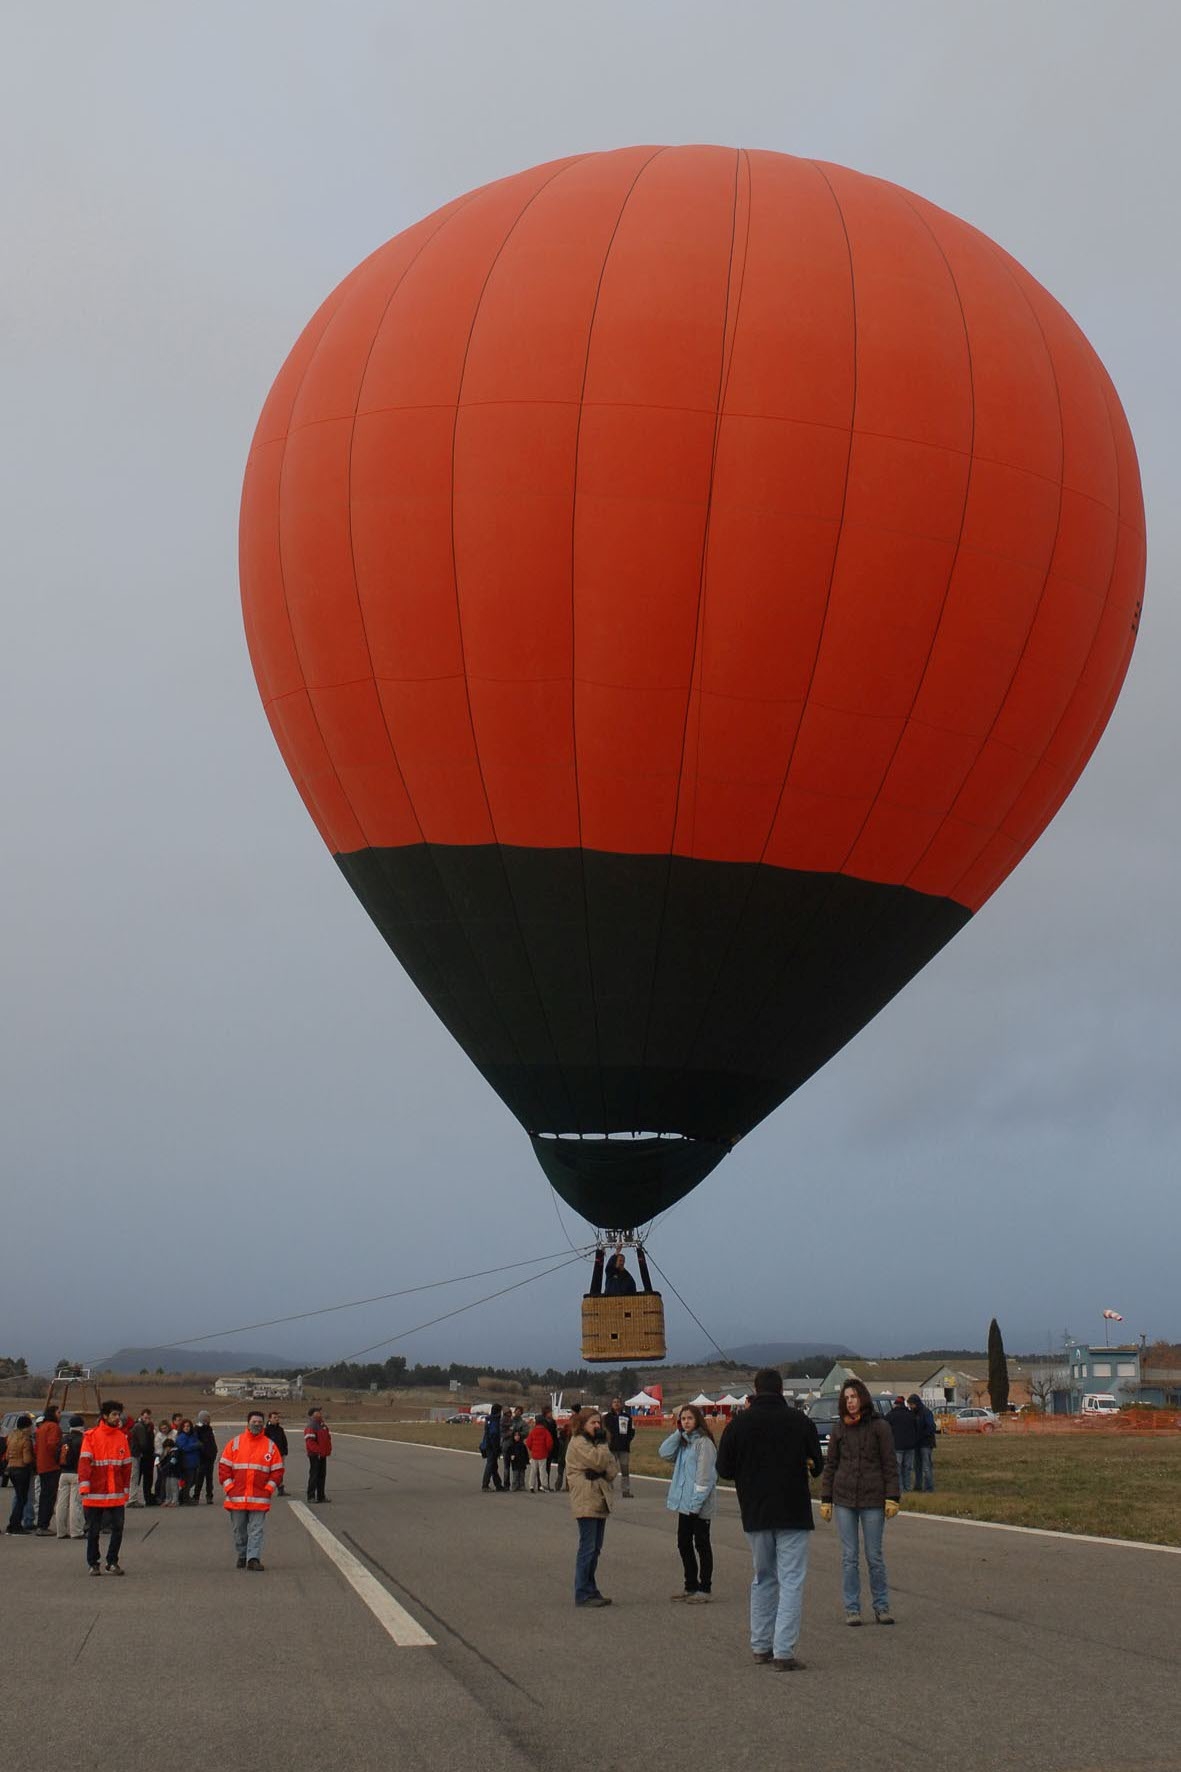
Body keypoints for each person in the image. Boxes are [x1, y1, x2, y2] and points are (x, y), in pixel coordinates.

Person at [715, 1367, 822, 1671]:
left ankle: (760, 1646)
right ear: (781, 1389)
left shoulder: (738, 1425)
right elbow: (817, 1465)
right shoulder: (800, 1422)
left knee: (763, 1578)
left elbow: (724, 1469)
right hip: (793, 1511)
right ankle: (783, 1651)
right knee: (791, 1581)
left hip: (755, 1510)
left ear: (755, 1389)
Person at [819, 1377, 901, 1626]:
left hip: (873, 1498)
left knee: (874, 1556)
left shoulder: (880, 1427)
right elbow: (831, 1465)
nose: (850, 1402)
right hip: (844, 1499)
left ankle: (881, 1606)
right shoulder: (839, 1430)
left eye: (853, 1397)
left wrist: (892, 1496)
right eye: (846, 1399)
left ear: (862, 1397)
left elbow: (889, 1463)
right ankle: (852, 1608)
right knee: (849, 1556)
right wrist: (826, 1498)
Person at [659, 1404, 718, 1602]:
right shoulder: (684, 1443)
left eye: (689, 1419)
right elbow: (664, 1453)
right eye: (683, 1419)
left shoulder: (704, 1443)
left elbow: (705, 1477)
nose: (686, 1422)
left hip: (699, 1506)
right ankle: (690, 1584)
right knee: (683, 1543)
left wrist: (696, 1504)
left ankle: (705, 1587)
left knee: (701, 1544)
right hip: (684, 1505)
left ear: (697, 1420)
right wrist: (678, 1433)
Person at [564, 1407, 618, 1607]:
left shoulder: (597, 1444)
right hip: (586, 1499)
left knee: (595, 1548)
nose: (597, 1426)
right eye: (592, 1423)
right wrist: (602, 1449)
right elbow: (598, 1461)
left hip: (600, 1498)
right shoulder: (578, 1443)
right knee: (587, 1547)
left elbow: (612, 1469)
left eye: (598, 1423)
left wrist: (601, 1472)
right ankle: (582, 1592)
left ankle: (591, 1588)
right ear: (583, 1425)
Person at [219, 1408, 284, 1570]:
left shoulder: (270, 1446)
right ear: (247, 1423)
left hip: (259, 1498)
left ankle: (253, 1558)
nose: (257, 1424)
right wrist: (230, 1488)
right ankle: (242, 1555)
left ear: (263, 1425)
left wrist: (268, 1488)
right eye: (254, 1422)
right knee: (239, 1530)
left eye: (259, 1423)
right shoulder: (235, 1443)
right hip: (237, 1497)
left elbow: (277, 1470)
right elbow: (223, 1468)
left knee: (256, 1530)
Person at [78, 1399, 133, 1576]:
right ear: (105, 1416)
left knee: (118, 1528)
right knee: (93, 1531)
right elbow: (84, 1463)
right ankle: (93, 1563)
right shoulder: (91, 1436)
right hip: (95, 1493)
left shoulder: (122, 1438)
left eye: (119, 1414)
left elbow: (126, 1467)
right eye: (114, 1414)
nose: (117, 1418)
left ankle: (112, 1561)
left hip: (115, 1493)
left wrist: (125, 1490)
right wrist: (84, 1487)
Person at [54, 1414, 86, 1539]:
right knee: (75, 1503)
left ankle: (61, 1530)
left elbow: (57, 1456)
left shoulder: (64, 1439)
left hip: (63, 1473)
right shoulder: (82, 1440)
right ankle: (76, 1531)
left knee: (61, 1503)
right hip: (76, 1473)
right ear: (81, 1426)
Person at [34, 1405, 63, 1534]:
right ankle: (43, 1525)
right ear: (53, 1413)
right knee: (50, 1496)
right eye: (58, 1412)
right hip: (51, 1465)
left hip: (42, 1465)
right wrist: (59, 1457)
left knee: (44, 1496)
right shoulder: (53, 1427)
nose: (60, 1414)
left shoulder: (41, 1428)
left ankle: (41, 1523)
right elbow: (52, 1445)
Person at [4, 1414, 35, 1535]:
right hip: (22, 1470)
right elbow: (27, 1460)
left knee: (18, 1497)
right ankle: (15, 1524)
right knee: (22, 1499)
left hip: (11, 1468)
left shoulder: (11, 1437)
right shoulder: (26, 1439)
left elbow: (6, 1455)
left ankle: (13, 1523)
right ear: (27, 1427)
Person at [603, 1396, 635, 1498]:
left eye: (618, 1402)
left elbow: (632, 1431)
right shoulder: (607, 1417)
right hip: (611, 1447)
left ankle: (626, 1491)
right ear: (611, 1404)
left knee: (625, 1469)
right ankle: (608, 1489)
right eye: (614, 1402)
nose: (616, 1404)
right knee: (610, 1469)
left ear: (621, 1404)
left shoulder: (627, 1417)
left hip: (624, 1448)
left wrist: (627, 1440)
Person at [885, 1396, 918, 1492]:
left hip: (897, 1446)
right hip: (910, 1446)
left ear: (896, 1404)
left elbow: (886, 1429)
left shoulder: (890, 1415)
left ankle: (900, 1488)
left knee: (898, 1469)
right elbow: (916, 1428)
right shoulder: (911, 1414)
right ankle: (907, 1487)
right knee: (907, 1468)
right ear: (903, 1404)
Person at [909, 1394, 937, 1492]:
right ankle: (918, 1486)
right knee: (917, 1466)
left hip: (926, 1443)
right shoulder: (913, 1413)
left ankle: (929, 1487)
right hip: (916, 1444)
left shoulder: (926, 1412)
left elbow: (931, 1427)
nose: (910, 1407)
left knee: (926, 1466)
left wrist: (920, 1435)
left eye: (911, 1404)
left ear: (916, 1403)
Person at [129, 1410, 157, 1506]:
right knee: (135, 1477)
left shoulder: (146, 1426)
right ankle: (132, 1499)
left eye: (149, 1418)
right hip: (138, 1455)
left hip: (141, 1455)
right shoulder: (140, 1427)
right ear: (141, 1416)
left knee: (138, 1477)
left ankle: (137, 1498)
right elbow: (143, 1443)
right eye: (146, 1418)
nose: (147, 1420)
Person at [305, 1407, 332, 1503]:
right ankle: (311, 1496)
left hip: (322, 1454)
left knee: (322, 1475)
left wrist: (326, 1450)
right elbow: (310, 1442)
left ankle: (321, 1496)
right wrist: (318, 1452)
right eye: (318, 1412)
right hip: (315, 1455)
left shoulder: (322, 1425)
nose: (320, 1413)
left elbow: (327, 1438)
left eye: (320, 1411)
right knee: (314, 1475)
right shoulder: (311, 1426)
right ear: (312, 1414)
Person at [175, 1419, 201, 1504]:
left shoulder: (193, 1436)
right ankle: (185, 1498)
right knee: (188, 1481)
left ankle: (182, 1496)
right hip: (186, 1462)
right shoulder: (181, 1437)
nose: (187, 1428)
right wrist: (195, 1446)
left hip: (194, 1461)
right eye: (185, 1426)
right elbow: (183, 1447)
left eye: (188, 1426)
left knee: (193, 1481)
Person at [194, 1411, 219, 1502]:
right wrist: (203, 1451)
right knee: (199, 1478)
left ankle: (209, 1496)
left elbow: (212, 1441)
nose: (209, 1419)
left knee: (209, 1478)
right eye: (207, 1417)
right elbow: (198, 1443)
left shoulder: (209, 1428)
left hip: (210, 1457)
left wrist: (214, 1451)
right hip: (202, 1457)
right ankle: (196, 1496)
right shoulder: (197, 1429)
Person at [479, 1404, 504, 1491]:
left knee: (493, 1466)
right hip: (491, 1446)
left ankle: (498, 1484)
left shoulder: (489, 1420)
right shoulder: (494, 1421)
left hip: (487, 1444)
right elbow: (494, 1434)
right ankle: (485, 1485)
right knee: (490, 1464)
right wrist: (496, 1448)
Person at [525, 1415, 552, 1492]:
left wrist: (531, 1449)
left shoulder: (533, 1431)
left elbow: (528, 1442)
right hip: (543, 1454)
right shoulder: (546, 1432)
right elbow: (549, 1443)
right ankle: (544, 1485)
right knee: (543, 1471)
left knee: (533, 1471)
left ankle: (531, 1485)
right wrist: (547, 1450)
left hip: (534, 1454)